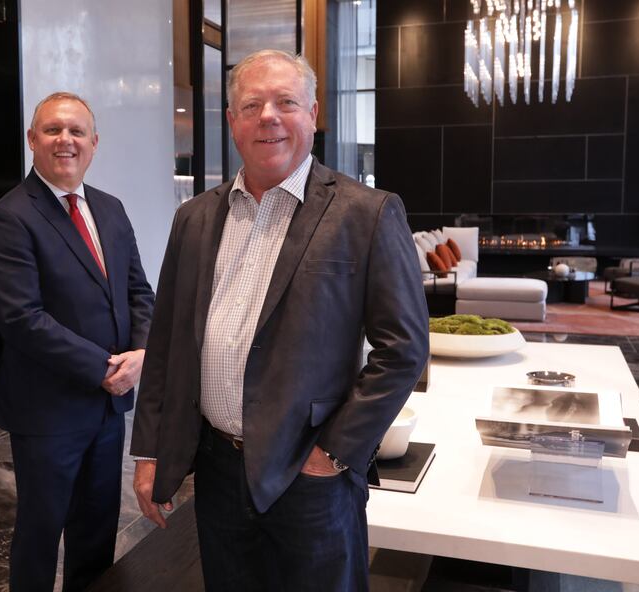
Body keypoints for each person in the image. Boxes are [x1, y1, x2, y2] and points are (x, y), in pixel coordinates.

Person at [131, 50, 429, 591]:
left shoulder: (368, 213)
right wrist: (151, 452)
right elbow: (169, 344)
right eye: (251, 105)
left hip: (309, 474)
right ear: (233, 121)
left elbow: (403, 351)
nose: (268, 116)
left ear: (312, 113)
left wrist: (332, 455)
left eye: (285, 102)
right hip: (218, 471)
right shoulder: (194, 218)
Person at [0, 92, 154, 591]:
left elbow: (139, 290)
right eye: (53, 130)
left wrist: (140, 354)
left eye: (77, 131)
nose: (65, 140)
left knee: (97, 528)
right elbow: (21, 319)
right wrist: (107, 368)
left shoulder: (111, 209)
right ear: (33, 140)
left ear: (94, 143)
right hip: (48, 410)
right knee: (40, 531)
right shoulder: (9, 217)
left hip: (107, 407)